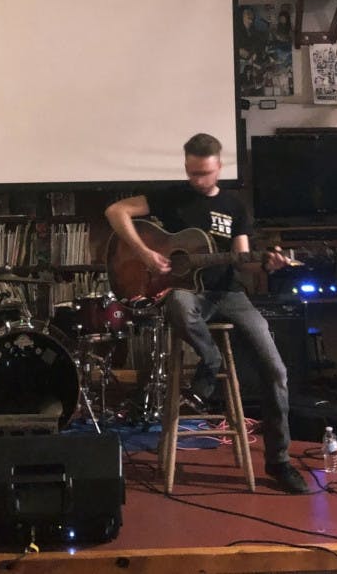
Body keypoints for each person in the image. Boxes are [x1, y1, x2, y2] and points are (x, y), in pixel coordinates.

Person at [104, 133, 307, 494]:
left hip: (228, 294)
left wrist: (267, 265)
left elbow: (244, 263)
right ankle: (209, 362)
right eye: (193, 173)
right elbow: (115, 211)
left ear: (219, 167)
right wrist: (146, 254)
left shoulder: (234, 206)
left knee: (276, 370)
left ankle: (279, 462)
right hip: (187, 296)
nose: (199, 181)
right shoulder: (169, 197)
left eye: (206, 173)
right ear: (186, 165)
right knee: (179, 302)